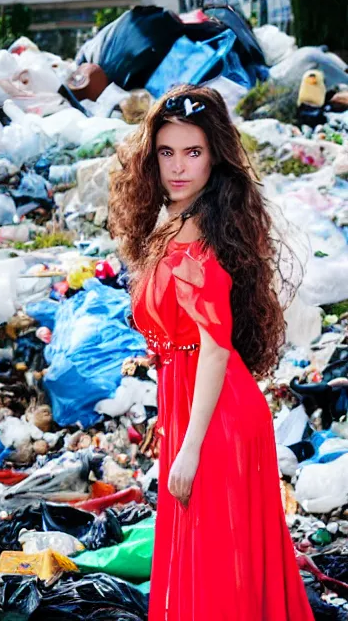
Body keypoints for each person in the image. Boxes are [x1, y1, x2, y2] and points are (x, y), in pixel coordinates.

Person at [108, 85, 314, 621]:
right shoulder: (175, 219)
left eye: (193, 153)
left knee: (220, 568)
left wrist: (190, 447)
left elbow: (216, 350)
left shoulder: (199, 238)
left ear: (215, 157)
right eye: (167, 152)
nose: (178, 167)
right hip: (197, 406)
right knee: (215, 562)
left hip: (217, 417)